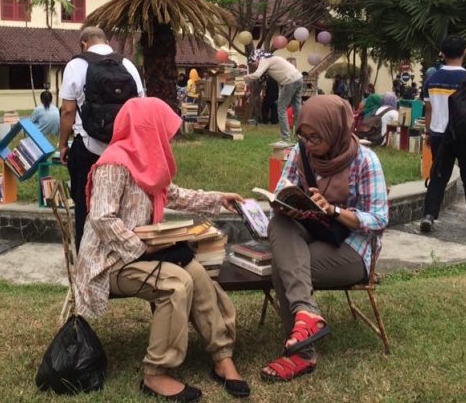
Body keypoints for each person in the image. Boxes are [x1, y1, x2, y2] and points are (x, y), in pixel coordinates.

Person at [74, 97, 249, 401]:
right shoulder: (114, 163)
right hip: (109, 262)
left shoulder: (147, 162)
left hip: (140, 254)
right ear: (147, 128)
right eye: (163, 129)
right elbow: (102, 219)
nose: (167, 137)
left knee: (197, 274)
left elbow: (174, 194)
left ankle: (222, 357)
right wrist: (143, 248)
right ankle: (156, 374)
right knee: (176, 284)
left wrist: (218, 199)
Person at [261, 95, 388, 382]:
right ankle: (307, 317)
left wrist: (334, 210)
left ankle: (301, 354)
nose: (309, 143)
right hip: (312, 230)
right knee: (280, 224)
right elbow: (283, 187)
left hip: (351, 248)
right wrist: (286, 204)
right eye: (304, 136)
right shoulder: (302, 152)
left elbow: (379, 220)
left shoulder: (365, 161)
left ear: (336, 131)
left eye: (316, 137)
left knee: (283, 268)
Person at [58, 26, 145, 250]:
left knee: (85, 206)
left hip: (88, 147)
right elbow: (141, 108)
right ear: (107, 41)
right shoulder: (128, 66)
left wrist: (62, 145)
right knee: (120, 206)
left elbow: (68, 111)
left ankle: (86, 258)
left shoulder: (75, 65)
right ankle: (120, 260)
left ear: (84, 43)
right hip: (123, 150)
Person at [420, 35, 466, 232]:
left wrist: (428, 132)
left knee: (438, 176)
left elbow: (428, 109)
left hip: (439, 134)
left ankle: (429, 216)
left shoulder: (432, 79)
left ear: (442, 54)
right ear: (465, 53)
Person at [244, 49, 303, 143]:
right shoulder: (272, 58)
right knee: (297, 110)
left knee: (281, 108)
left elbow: (256, 75)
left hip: (290, 81)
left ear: (256, 58)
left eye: (253, 63)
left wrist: (243, 78)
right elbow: (280, 79)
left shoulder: (264, 59)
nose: (254, 66)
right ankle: (300, 138)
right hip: (298, 78)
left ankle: (285, 138)